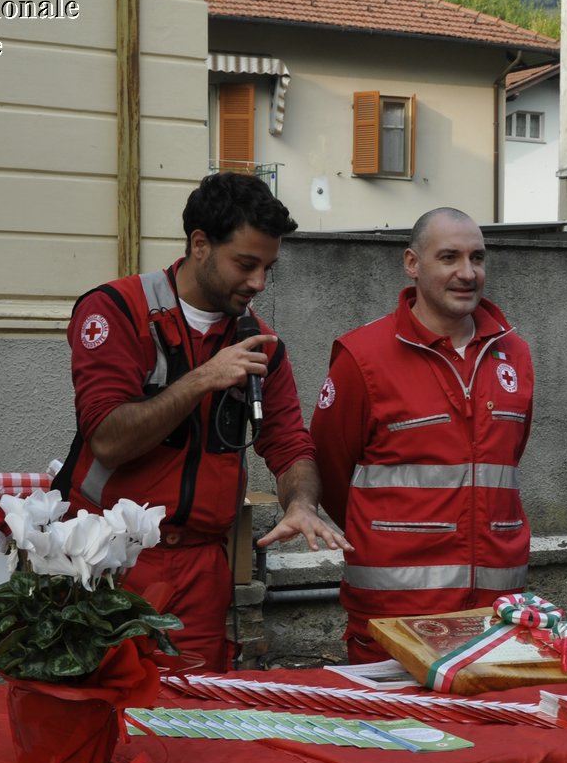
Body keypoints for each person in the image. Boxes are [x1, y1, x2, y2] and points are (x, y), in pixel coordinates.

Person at [55, 172, 348, 672]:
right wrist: (201, 379)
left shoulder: (262, 343)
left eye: (268, 269)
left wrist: (301, 502)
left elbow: (288, 442)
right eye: (246, 264)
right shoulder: (117, 310)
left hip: (202, 565)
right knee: (100, 708)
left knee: (193, 723)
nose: (257, 283)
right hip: (109, 556)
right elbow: (106, 438)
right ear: (199, 245)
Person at [311, 208, 533, 663]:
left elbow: (505, 462)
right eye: (449, 257)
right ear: (412, 264)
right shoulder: (363, 357)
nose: (467, 273)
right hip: (394, 619)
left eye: (477, 258)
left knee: (491, 736)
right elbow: (332, 475)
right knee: (397, 737)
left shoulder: (515, 353)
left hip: (493, 617)